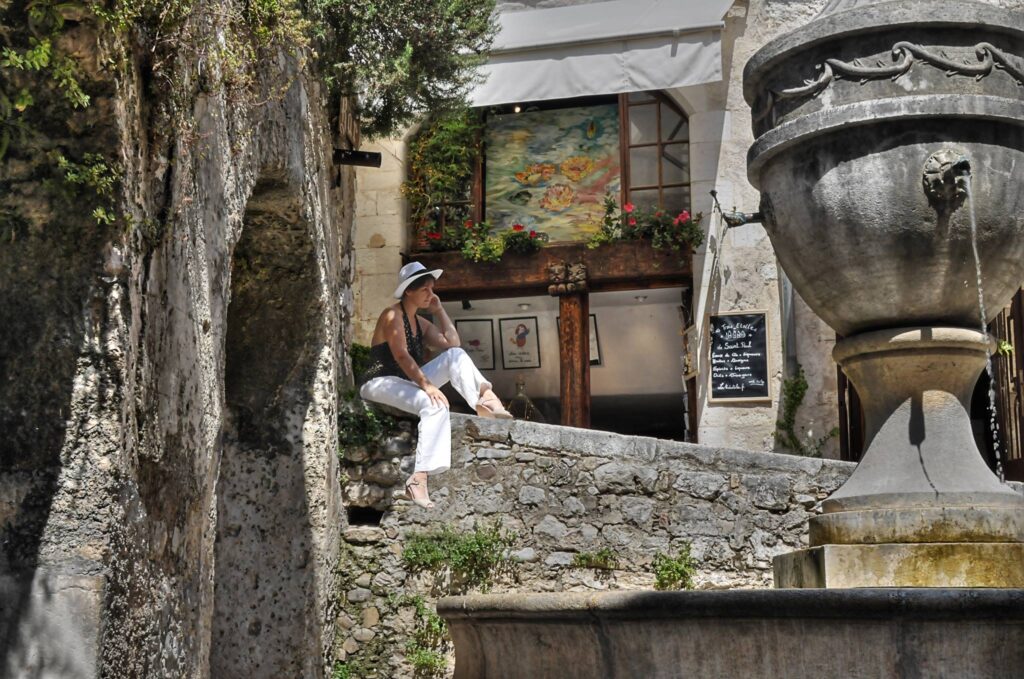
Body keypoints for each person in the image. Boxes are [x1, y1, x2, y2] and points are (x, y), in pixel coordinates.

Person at [358, 261, 512, 509]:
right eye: (425, 290)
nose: (431, 294)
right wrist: (427, 386)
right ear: (409, 290)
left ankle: (486, 397)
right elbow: (401, 355)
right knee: (436, 404)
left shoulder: (421, 323)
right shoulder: (392, 314)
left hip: (405, 381)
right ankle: (419, 479)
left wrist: (440, 311)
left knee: (456, 355)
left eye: (432, 289)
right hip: (379, 381)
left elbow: (453, 343)